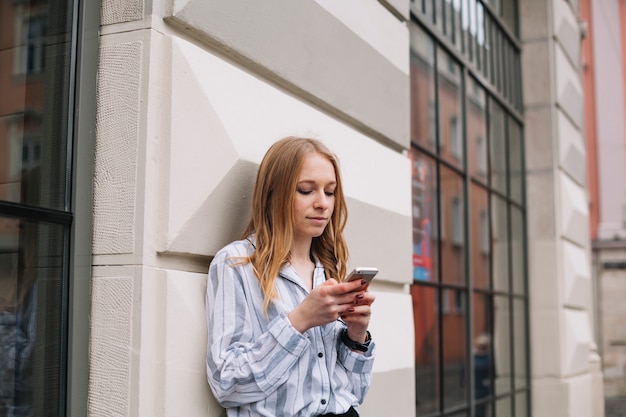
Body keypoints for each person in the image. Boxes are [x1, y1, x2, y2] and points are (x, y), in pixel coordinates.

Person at [205, 136, 376, 417]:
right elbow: (227, 384)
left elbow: (353, 395)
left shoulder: (328, 268)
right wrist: (300, 320)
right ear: (275, 194)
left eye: (330, 192)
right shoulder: (237, 264)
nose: (323, 203)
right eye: (306, 190)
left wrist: (357, 337)